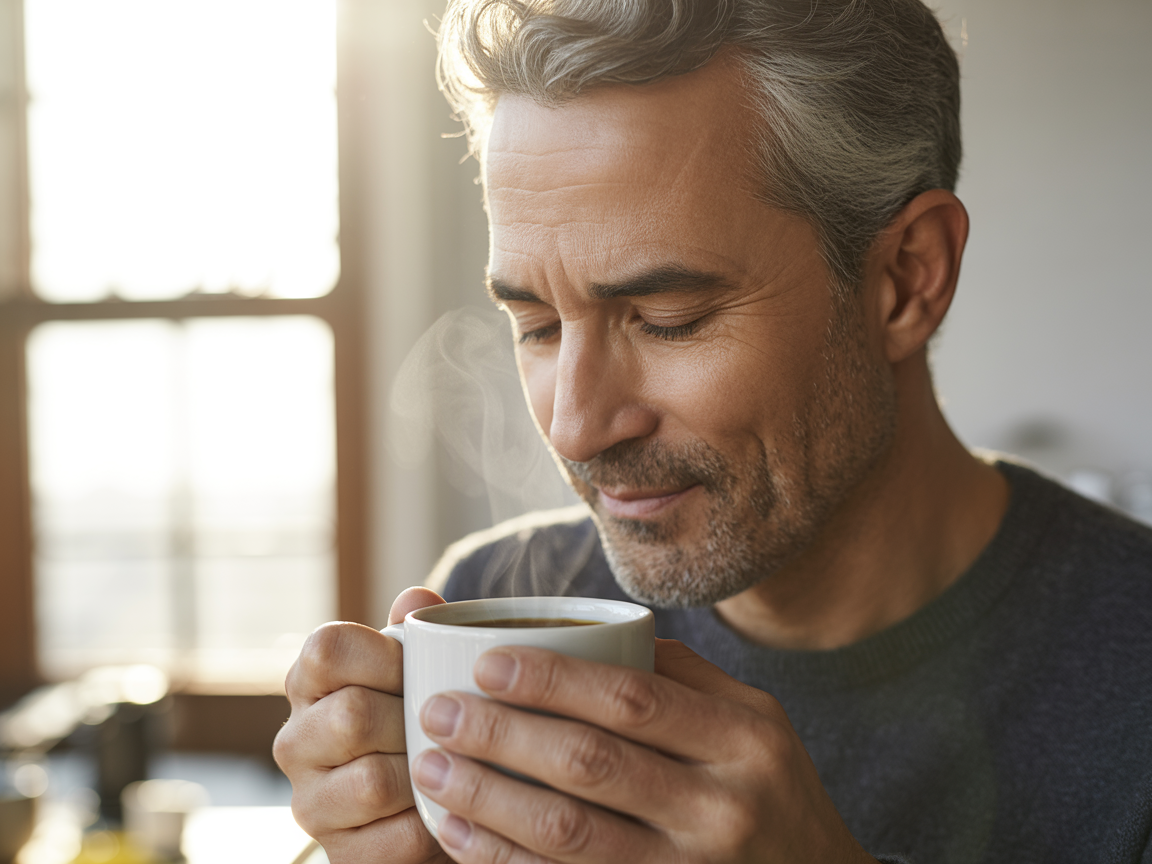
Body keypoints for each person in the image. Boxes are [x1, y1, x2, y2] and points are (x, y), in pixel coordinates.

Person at [273, 0, 1152, 861]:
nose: (576, 428)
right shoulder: (489, 602)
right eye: (537, 325)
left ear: (906, 280)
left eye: (669, 316)